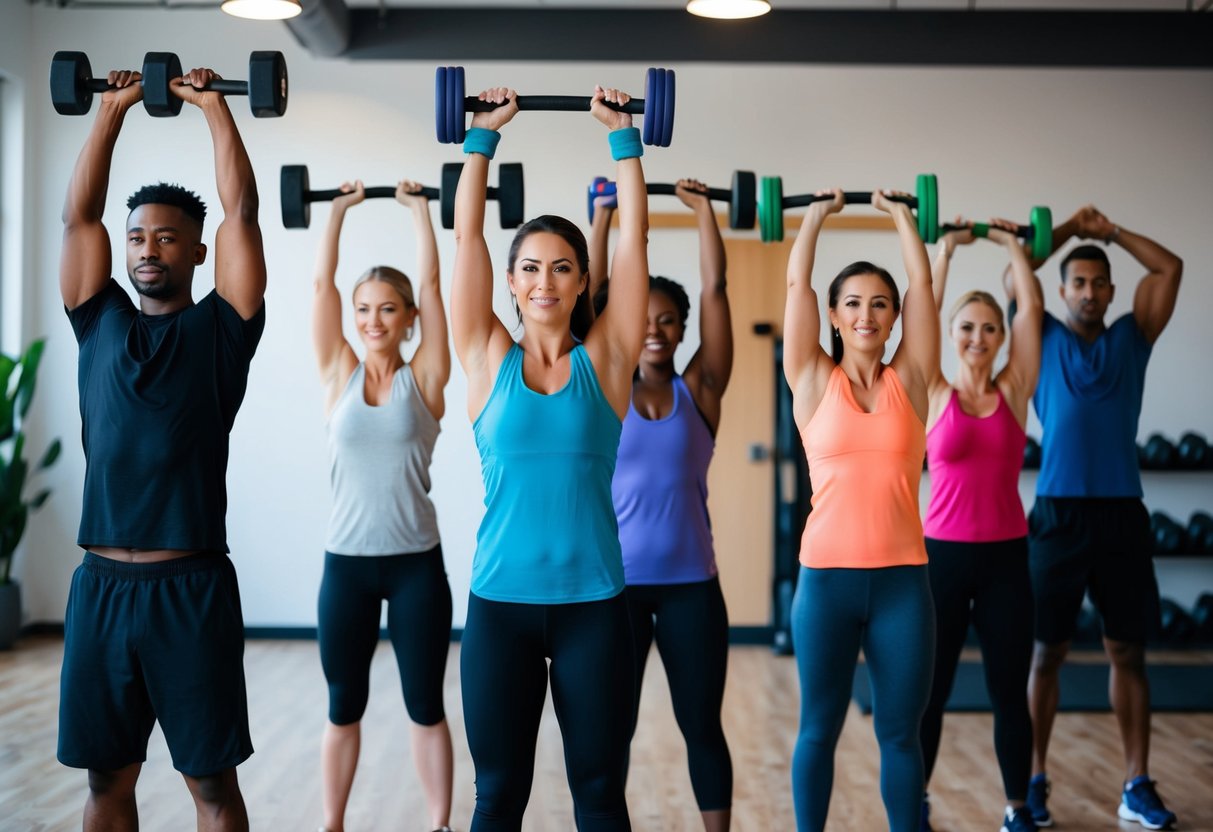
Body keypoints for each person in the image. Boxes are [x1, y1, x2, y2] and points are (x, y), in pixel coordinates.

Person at [56, 65, 266, 830]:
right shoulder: (97, 317)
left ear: (196, 254)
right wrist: (109, 111)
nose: (148, 249)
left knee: (212, 789)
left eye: (167, 238)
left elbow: (241, 211)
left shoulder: (222, 329)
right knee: (105, 782)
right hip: (101, 589)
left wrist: (214, 110)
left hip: (191, 592)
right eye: (138, 236)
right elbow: (81, 219)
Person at [450, 84, 649, 831]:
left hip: (595, 608)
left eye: (561, 267)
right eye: (529, 268)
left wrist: (623, 140)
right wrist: (480, 141)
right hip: (499, 607)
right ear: (509, 281)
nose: (544, 281)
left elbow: (634, 243)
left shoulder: (609, 361)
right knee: (497, 796)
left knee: (599, 795)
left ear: (582, 281)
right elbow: (465, 239)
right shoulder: (482, 358)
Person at [1014, 206, 1183, 831]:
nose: (1088, 293)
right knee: (1045, 655)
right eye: (1077, 283)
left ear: (1112, 291)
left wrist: (1108, 233)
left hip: (1121, 514)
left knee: (1127, 652)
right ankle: (1032, 781)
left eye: (1098, 283)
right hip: (1058, 514)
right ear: (1063, 292)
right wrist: (1065, 232)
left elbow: (1170, 267)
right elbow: (1017, 272)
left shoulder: (1132, 335)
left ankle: (1136, 783)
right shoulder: (1043, 335)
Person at [782, 188, 939, 832]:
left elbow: (923, 282)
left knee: (901, 735)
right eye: (853, 304)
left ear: (894, 316)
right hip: (825, 585)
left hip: (905, 584)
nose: (867, 314)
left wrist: (902, 217)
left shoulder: (915, 380)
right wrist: (817, 215)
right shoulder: (813, 380)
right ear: (835, 318)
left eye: (880, 304)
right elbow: (797, 280)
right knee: (819, 729)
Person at [589, 180, 734, 832]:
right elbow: (594, 300)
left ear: (681, 328)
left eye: (666, 319)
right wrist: (602, 220)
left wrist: (705, 213)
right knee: (609, 730)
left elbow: (715, 293)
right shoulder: (601, 386)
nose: (653, 328)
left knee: (701, 725)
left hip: (690, 592)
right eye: (642, 317)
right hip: (612, 591)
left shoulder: (700, 388)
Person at [310, 180, 454, 832]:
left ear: (407, 319)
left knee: (425, 704)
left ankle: (439, 824)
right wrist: (337, 213)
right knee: (344, 705)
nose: (372, 319)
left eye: (387, 309)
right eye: (364, 308)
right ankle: (333, 824)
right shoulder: (336, 370)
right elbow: (322, 290)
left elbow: (433, 285)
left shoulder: (425, 378)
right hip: (346, 564)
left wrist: (421, 212)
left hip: (416, 565)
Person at [918, 219, 1044, 832]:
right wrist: (946, 251)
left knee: (1006, 691)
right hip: (941, 557)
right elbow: (924, 310)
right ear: (952, 334)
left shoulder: (1015, 391)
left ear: (1000, 338)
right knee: (932, 691)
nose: (978, 336)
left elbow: (1033, 312)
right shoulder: (935, 392)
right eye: (967, 327)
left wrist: (1012, 247)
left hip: (1005, 561)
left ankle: (1018, 807)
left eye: (989, 328)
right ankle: (916, 801)